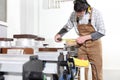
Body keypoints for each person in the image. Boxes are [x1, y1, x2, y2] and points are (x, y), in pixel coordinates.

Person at [54, 0, 105, 80]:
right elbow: (67, 26)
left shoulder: (96, 13)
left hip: (95, 45)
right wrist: (59, 34)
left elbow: (102, 32)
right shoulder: (74, 14)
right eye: (76, 12)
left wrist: (85, 38)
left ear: (86, 9)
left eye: (80, 12)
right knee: (81, 70)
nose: (78, 14)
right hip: (82, 46)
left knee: (97, 70)